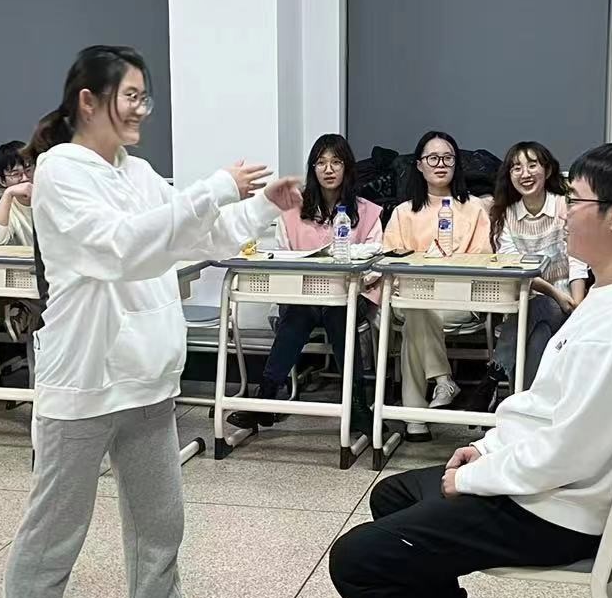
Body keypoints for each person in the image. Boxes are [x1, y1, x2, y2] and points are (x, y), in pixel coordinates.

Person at [329, 143, 612, 598]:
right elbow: (548, 411)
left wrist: (474, 478)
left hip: (556, 512)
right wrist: (489, 450)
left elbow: (567, 452)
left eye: (576, 200)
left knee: (357, 560)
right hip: (548, 486)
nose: (565, 213)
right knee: (395, 496)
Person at [0, 45, 300, 598]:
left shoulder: (139, 172)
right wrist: (215, 187)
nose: (140, 110)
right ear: (88, 101)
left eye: (143, 97)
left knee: (161, 521)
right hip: (85, 381)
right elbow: (122, 249)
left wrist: (260, 210)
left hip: (148, 379)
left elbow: (189, 238)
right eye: (130, 96)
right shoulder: (60, 172)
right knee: (55, 530)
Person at [227, 133, 384, 431]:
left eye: (336, 162)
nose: (328, 169)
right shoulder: (292, 211)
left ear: (347, 168)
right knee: (300, 311)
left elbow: (376, 263)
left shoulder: (367, 211)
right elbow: (283, 257)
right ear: (313, 169)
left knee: (339, 311)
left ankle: (357, 403)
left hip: (353, 296)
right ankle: (267, 398)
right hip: (304, 296)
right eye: (321, 163)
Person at [381, 130, 492, 440]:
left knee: (415, 317)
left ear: (456, 164)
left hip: (460, 300)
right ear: (419, 165)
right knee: (416, 308)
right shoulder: (404, 212)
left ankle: (415, 419)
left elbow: (483, 260)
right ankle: (443, 380)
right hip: (413, 296)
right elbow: (390, 262)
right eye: (432, 158)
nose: (440, 164)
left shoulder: (474, 209)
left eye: (447, 158)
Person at [484, 141, 589, 395]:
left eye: (532, 165)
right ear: (509, 175)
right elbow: (514, 268)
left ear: (547, 170)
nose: (525, 174)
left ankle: (493, 376)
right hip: (527, 302)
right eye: (516, 168)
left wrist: (577, 305)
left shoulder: (563, 206)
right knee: (538, 334)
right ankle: (526, 403)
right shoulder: (506, 214)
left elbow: (577, 259)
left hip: (566, 303)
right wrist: (554, 293)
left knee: (540, 308)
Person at [0, 141, 35, 246]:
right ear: (2, 181)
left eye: (28, 170)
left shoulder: (54, 195)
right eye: (15, 174)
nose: (25, 178)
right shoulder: (5, 208)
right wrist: (8, 193)